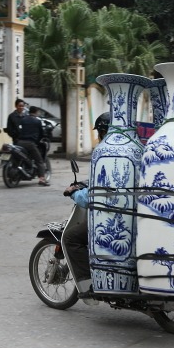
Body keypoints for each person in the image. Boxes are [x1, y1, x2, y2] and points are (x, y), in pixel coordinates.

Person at [63, 112, 111, 294]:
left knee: (70, 238)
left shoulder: (104, 152)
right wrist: (85, 183)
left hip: (107, 217)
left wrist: (74, 193)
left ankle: (89, 285)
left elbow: (95, 197)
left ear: (102, 132)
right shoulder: (136, 148)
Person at [14, 106, 50, 186]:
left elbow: (19, 130)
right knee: (39, 161)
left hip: (19, 142)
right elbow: (41, 133)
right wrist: (41, 139)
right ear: (36, 112)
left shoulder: (23, 120)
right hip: (30, 143)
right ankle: (42, 179)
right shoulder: (37, 121)